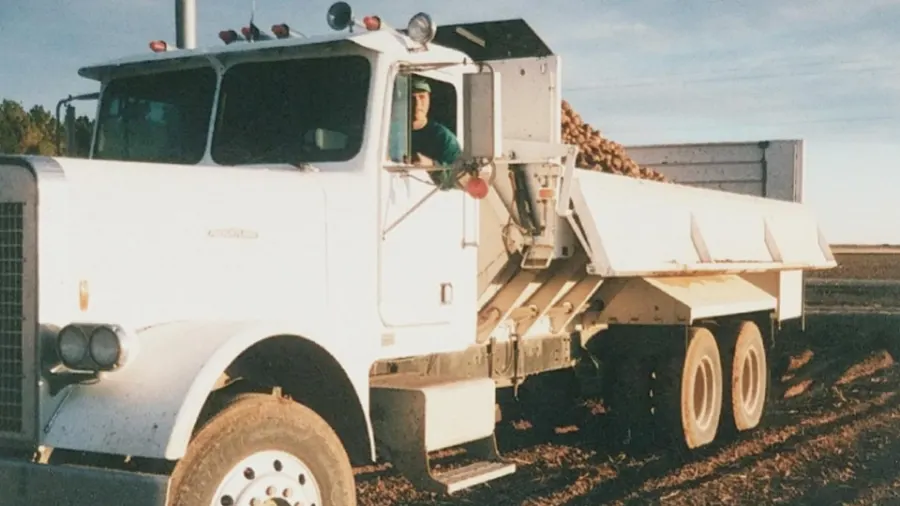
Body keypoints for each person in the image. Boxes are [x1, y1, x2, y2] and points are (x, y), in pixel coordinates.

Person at [409, 78, 461, 188]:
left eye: (422, 97)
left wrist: (431, 166)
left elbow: (459, 181)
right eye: (411, 98)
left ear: (429, 100)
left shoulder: (444, 138)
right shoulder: (388, 133)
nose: (417, 104)